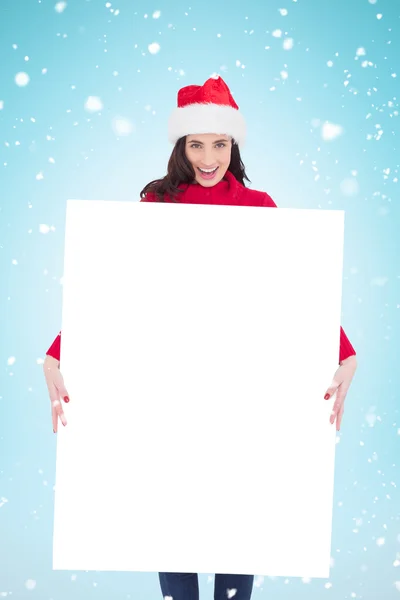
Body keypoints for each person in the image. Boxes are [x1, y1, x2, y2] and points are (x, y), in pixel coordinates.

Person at [43, 75, 358, 600]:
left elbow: (295, 289)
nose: (208, 157)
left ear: (233, 146)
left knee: (239, 515)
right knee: (173, 510)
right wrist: (57, 355)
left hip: (239, 387)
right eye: (196, 144)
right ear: (181, 147)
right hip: (171, 386)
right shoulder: (156, 204)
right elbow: (116, 289)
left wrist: (344, 355)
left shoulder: (259, 206)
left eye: (219, 144)